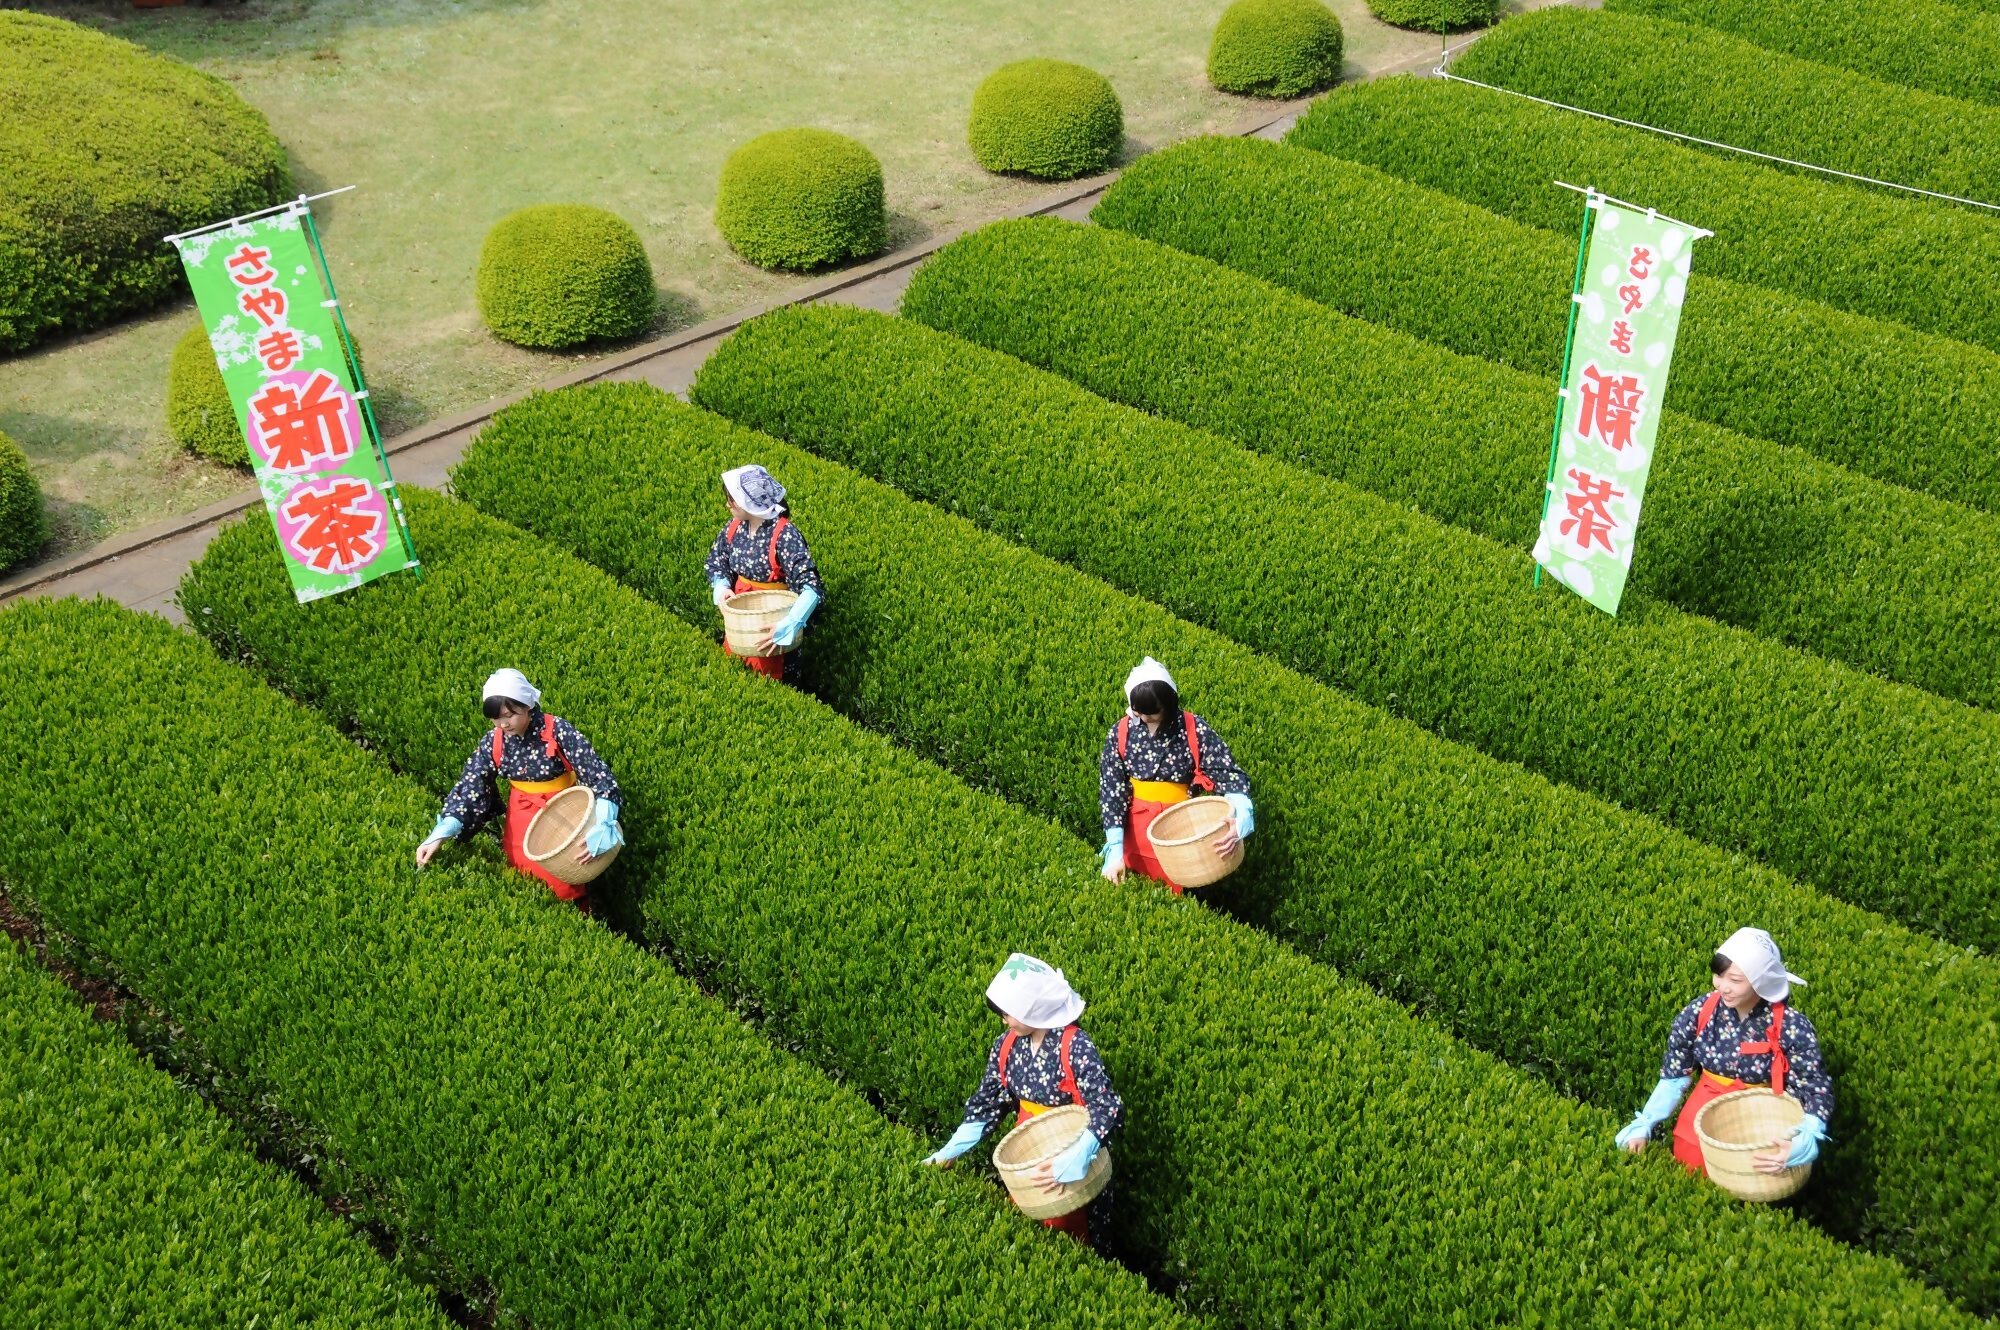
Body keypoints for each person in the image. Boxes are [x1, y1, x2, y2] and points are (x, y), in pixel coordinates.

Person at [923, 954, 1124, 1246]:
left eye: (1009, 1013)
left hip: (1072, 1156)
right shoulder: (1006, 1046)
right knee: (1028, 1229)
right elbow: (989, 1100)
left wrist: (1080, 1152)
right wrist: (952, 1149)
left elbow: (1107, 1106)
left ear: (1034, 1008)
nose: (1005, 1020)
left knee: (1073, 1239)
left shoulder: (1074, 1045)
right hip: (1030, 1156)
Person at [1615, 928, 1832, 1177]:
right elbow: (1675, 1073)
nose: (1723, 987)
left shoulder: (1791, 1025)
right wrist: (1646, 1122)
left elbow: (1815, 1086)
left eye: (1736, 980)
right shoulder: (1700, 1010)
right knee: (1689, 1173)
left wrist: (1806, 1136)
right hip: (1704, 1113)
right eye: (1719, 976)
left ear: (1760, 981)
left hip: (1762, 1122)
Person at [414, 669, 624, 914]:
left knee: (566, 877)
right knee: (522, 873)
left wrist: (604, 822)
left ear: (527, 706)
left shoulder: (557, 731)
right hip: (521, 818)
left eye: (509, 715)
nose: (503, 724)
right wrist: (440, 834)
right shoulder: (494, 741)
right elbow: (471, 787)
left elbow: (597, 774)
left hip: (563, 813)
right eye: (495, 718)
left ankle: (581, 922)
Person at [1099, 656, 1254, 895]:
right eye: (1140, 713)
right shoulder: (1120, 731)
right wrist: (1115, 849)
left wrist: (1242, 814)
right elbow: (1112, 790)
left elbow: (1227, 772)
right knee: (1137, 891)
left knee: (1181, 889)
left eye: (1153, 713)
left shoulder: (1193, 728)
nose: (1146, 719)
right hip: (1135, 828)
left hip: (1181, 827)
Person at [705, 464, 824, 684]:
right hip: (739, 626)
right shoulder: (734, 527)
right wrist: (722, 590)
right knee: (735, 676)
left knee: (772, 683)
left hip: (773, 627)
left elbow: (812, 588)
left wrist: (791, 623)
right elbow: (717, 561)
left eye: (731, 500)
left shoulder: (784, 534)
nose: (727, 505)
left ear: (747, 500)